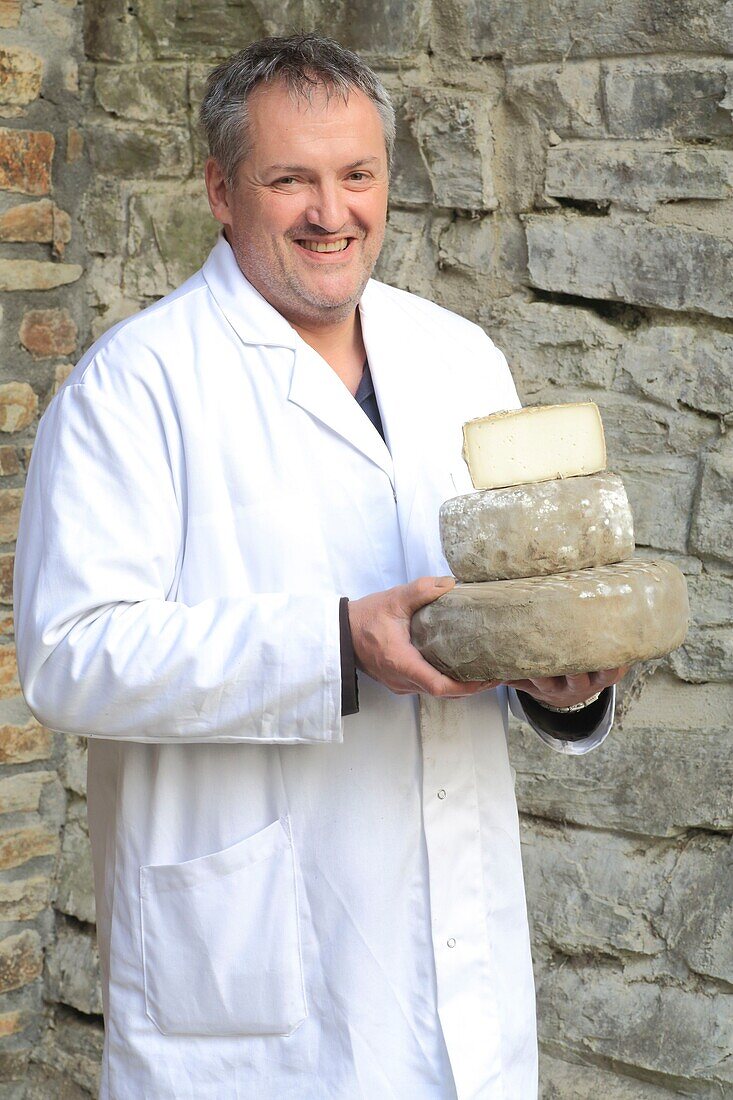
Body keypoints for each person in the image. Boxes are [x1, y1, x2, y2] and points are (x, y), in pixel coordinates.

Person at [14, 35, 625, 1100]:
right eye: (289, 178)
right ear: (219, 189)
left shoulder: (459, 358)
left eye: (356, 174)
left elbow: (508, 592)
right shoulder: (136, 385)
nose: (330, 212)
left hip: (458, 955)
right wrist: (334, 643)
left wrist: (559, 678)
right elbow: (70, 656)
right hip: (251, 981)